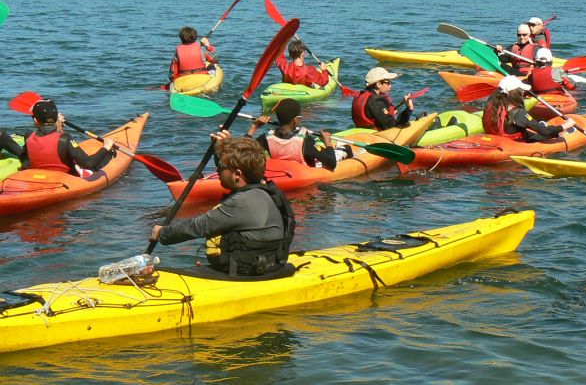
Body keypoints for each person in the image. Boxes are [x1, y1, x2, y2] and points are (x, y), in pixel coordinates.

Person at [150, 132, 295, 277]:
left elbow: (198, 227)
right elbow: (228, 173)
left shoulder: (241, 203)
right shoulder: (262, 191)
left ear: (237, 174)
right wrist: (221, 149)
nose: (217, 170)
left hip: (249, 274)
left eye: (221, 166)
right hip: (266, 266)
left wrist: (162, 233)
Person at [246, 98, 351, 171]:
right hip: (303, 172)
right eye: (300, 117)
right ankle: (343, 149)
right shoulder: (305, 140)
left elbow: (242, 150)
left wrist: (255, 126)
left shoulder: (266, 138)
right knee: (347, 149)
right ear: (295, 120)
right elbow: (331, 163)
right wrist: (327, 142)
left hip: (282, 171)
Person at [24, 99, 115, 175]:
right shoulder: (65, 138)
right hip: (65, 179)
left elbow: (47, 144)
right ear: (56, 118)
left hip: (39, 177)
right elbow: (88, 163)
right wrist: (106, 146)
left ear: (35, 120)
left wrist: (59, 128)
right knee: (109, 154)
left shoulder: (28, 136)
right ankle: (112, 153)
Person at [482, 75, 575, 143]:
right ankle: (560, 132)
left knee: (528, 130)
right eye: (521, 91)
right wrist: (566, 125)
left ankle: (539, 124)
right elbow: (544, 131)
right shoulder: (517, 112)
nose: (523, 93)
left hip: (496, 140)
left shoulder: (491, 105)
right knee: (551, 132)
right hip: (514, 144)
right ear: (515, 93)